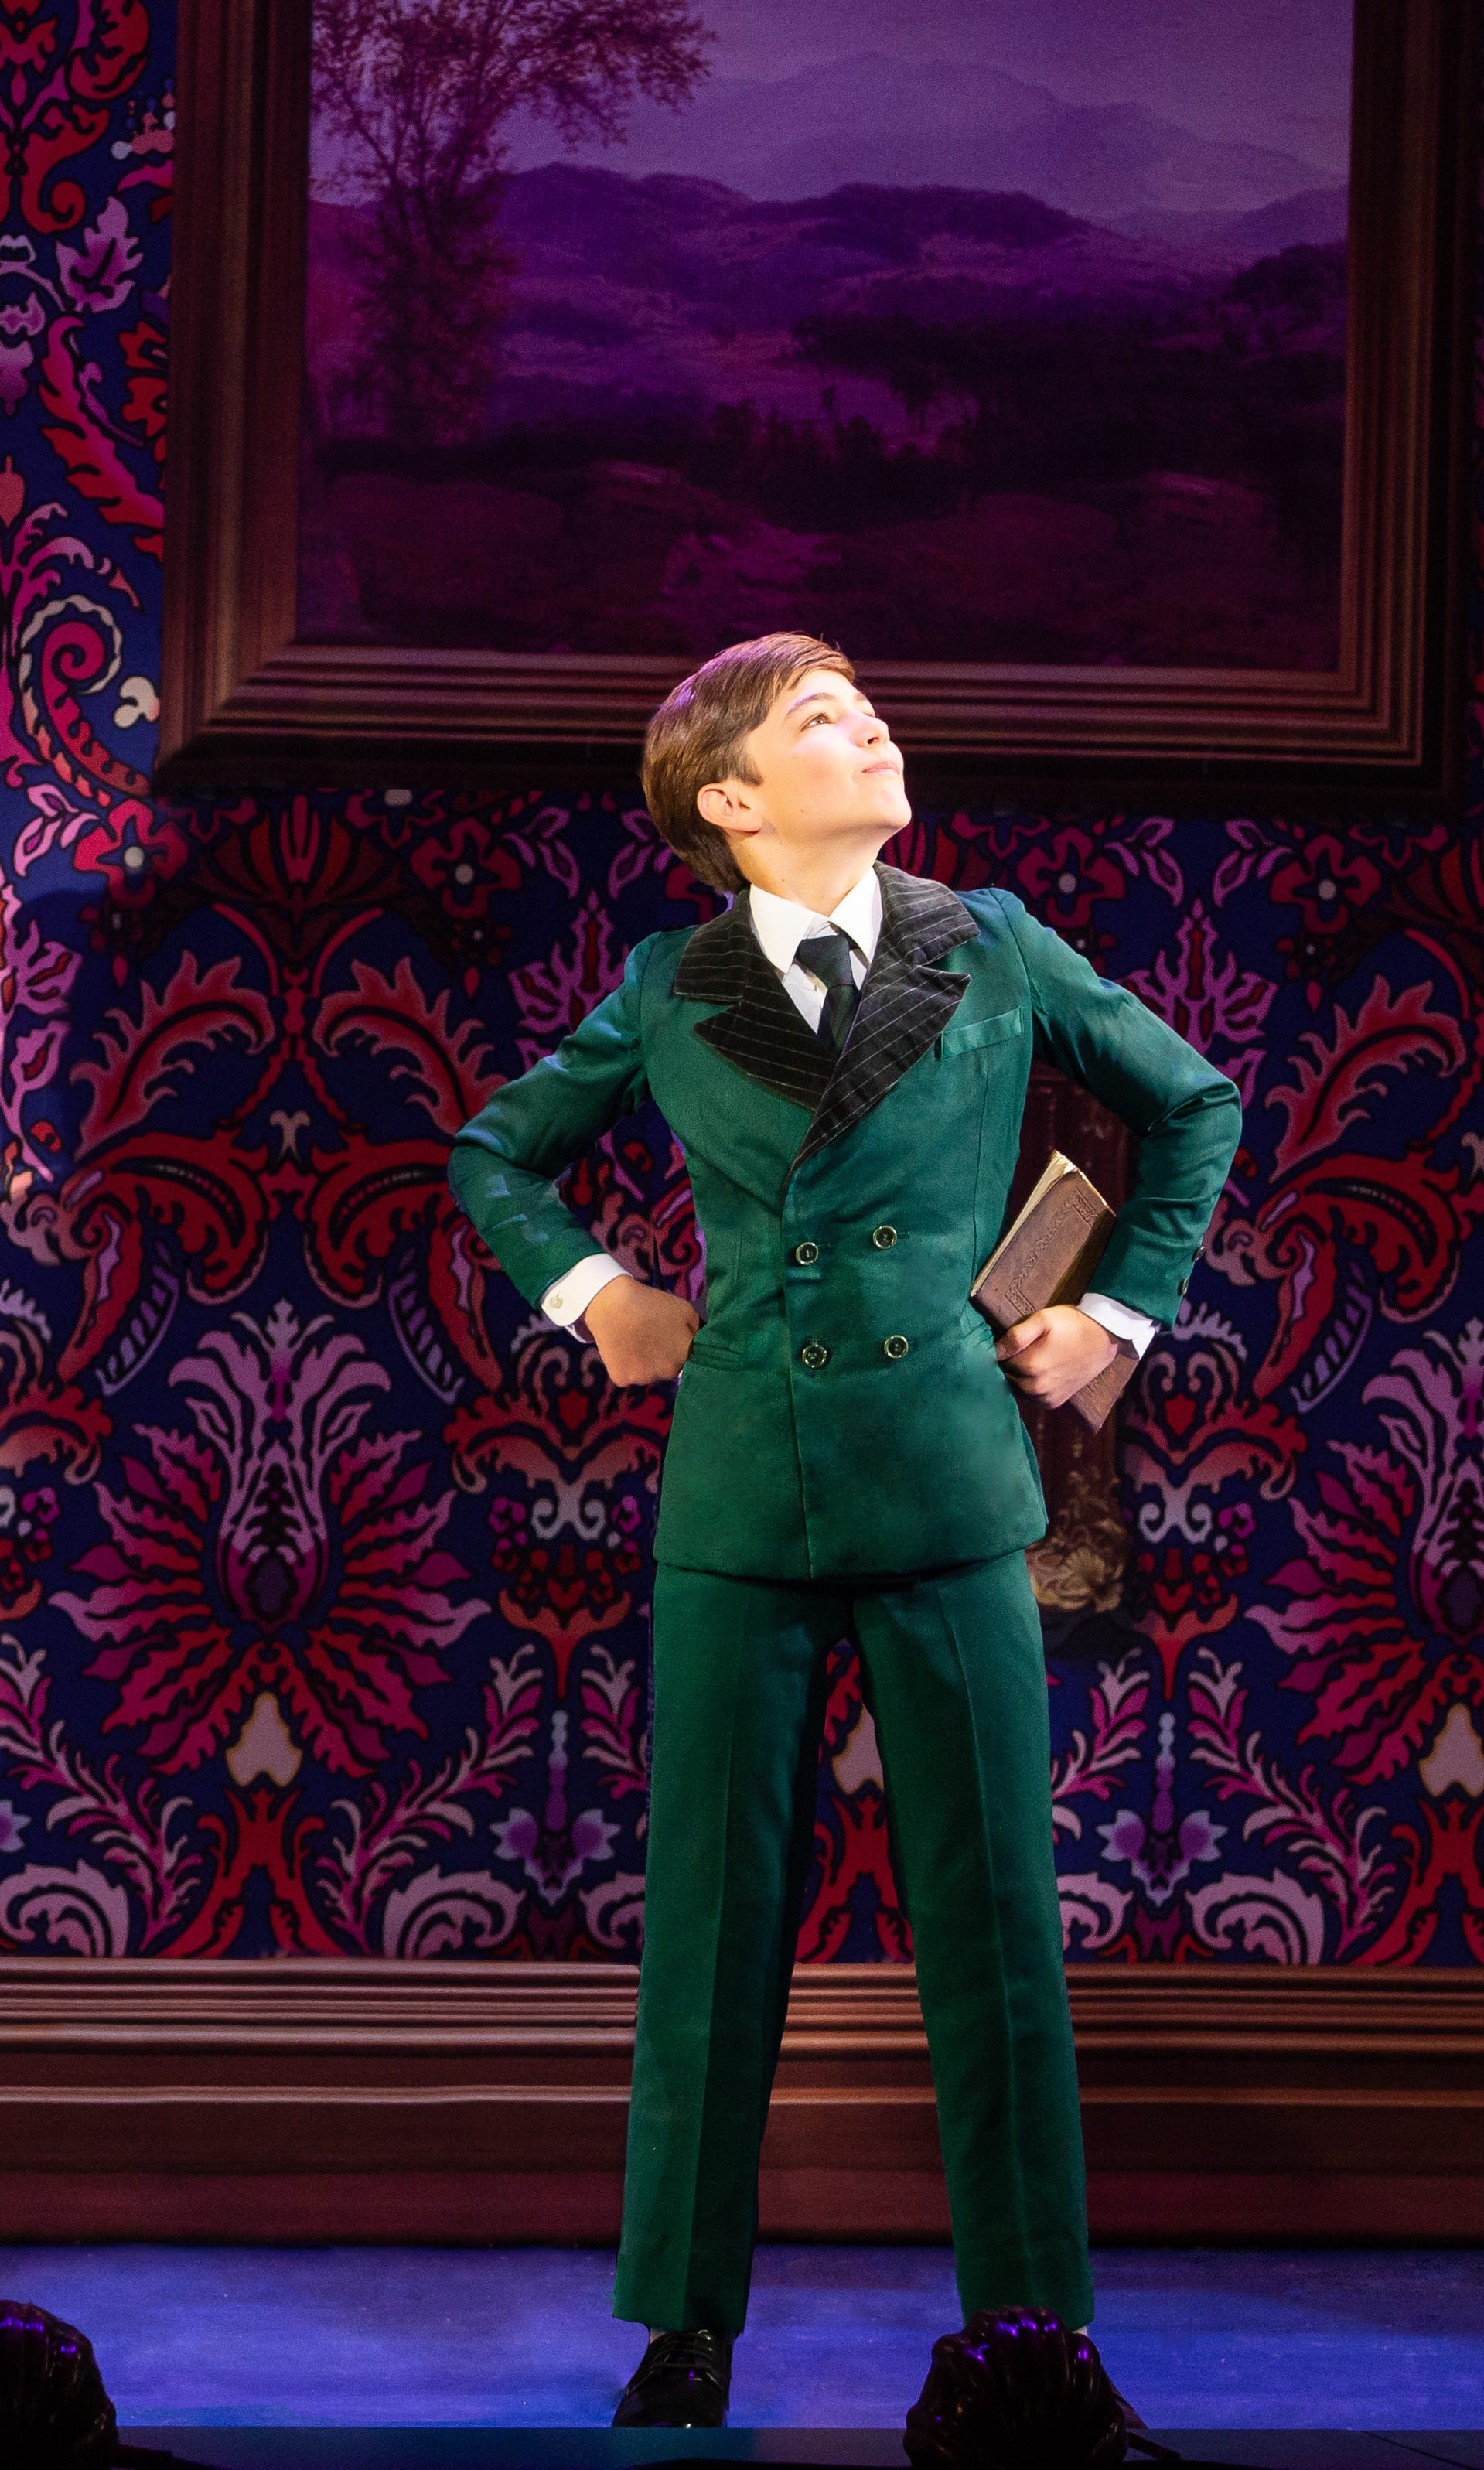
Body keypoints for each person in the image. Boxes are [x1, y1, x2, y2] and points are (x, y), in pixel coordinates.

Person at [445, 634, 1240, 2432]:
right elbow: (494, 1152)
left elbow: (1189, 1101)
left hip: (944, 1483)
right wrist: (593, 1292)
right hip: (743, 1490)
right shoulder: (670, 984)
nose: (871, 725)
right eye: (821, 717)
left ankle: (1036, 2332)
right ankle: (681, 2325)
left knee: (994, 1925)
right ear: (729, 799)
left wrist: (1111, 1313)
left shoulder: (990, 944)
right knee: (710, 1927)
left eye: (867, 703)